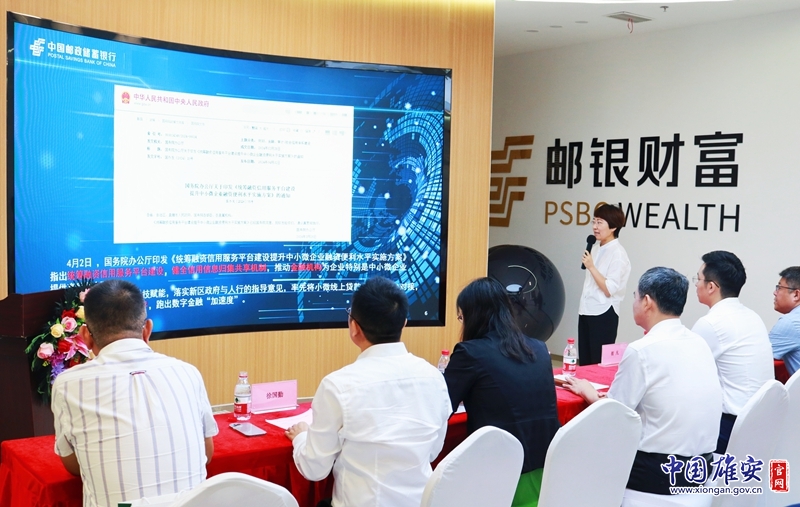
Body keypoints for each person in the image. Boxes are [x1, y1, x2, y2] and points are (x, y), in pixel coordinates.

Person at [285, 276, 451, 507]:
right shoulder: (434, 377)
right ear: (404, 323)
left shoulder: (338, 385)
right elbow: (432, 452)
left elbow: (314, 469)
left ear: (354, 327)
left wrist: (302, 437)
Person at [51, 280, 218, 507]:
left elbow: (72, 465)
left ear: (85, 336)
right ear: (147, 329)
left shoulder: (68, 385)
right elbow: (207, 453)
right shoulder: (188, 373)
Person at [566, 267, 721, 500]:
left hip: (658, 472)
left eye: (635, 296)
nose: (634, 302)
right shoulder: (699, 343)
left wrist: (590, 394)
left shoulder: (642, 350)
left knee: (577, 454)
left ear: (647, 302)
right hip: (702, 468)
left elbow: (615, 417)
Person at [444, 277, 560, 507]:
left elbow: (443, 405)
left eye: (462, 317)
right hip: (547, 468)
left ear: (473, 316)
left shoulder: (470, 352)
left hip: (499, 471)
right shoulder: (539, 347)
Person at [690, 251, 772, 454]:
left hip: (730, 428)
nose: (696, 285)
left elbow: (684, 374)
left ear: (711, 287)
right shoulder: (752, 316)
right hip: (762, 423)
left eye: (698, 279)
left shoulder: (711, 323)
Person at [579, 203, 631, 365]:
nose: (595, 227)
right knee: (585, 363)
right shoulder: (594, 248)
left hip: (604, 313)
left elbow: (609, 289)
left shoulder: (618, 254)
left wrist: (591, 267)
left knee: (598, 364)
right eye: (594, 221)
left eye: (600, 222)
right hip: (586, 310)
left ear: (613, 227)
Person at [769, 266, 800, 376]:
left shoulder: (790, 322)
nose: (774, 292)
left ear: (796, 295)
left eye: (779, 287)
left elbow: (758, 357)